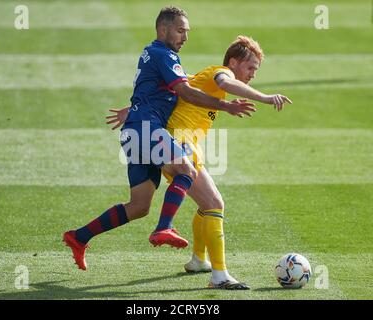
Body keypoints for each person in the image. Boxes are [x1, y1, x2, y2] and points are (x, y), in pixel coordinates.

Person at [62, 7, 255, 272]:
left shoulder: (153, 54)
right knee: (186, 169)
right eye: (180, 31)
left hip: (134, 131)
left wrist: (130, 111)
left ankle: (79, 237)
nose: (185, 37)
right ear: (163, 29)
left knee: (139, 206)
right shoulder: (164, 55)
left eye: (186, 32)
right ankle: (164, 228)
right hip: (146, 129)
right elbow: (184, 92)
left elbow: (156, 93)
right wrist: (225, 106)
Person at [107, 35, 292, 290]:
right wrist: (265, 97)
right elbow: (228, 82)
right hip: (179, 145)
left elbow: (170, 92)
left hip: (177, 144)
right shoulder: (221, 73)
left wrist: (132, 111)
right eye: (250, 68)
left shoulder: (200, 78)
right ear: (234, 62)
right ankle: (219, 276)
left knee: (207, 205)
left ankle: (198, 260)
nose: (252, 75)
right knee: (215, 203)